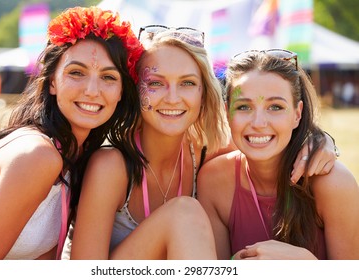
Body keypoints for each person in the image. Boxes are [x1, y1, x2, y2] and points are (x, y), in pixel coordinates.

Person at [70, 26, 337, 259]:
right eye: (155, 83)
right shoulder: (111, 167)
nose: (173, 98)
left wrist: (319, 139)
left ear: (203, 93)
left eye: (187, 83)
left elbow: (269, 142)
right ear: (135, 89)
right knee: (183, 213)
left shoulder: (209, 152)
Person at [0, 6, 144, 260]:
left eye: (108, 77)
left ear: (121, 92)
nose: (92, 90)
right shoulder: (38, 155)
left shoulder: (75, 158)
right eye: (76, 73)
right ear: (51, 81)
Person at [197, 49, 359, 260]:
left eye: (275, 107)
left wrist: (308, 267)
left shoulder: (334, 183)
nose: (258, 123)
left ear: (297, 114)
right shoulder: (213, 181)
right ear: (227, 113)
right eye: (244, 106)